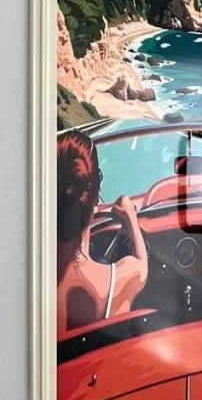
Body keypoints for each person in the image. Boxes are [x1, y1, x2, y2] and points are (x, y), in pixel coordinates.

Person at [56, 130, 148, 334]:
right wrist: (130, 217)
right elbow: (142, 268)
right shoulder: (115, 281)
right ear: (95, 197)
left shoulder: (26, 272)